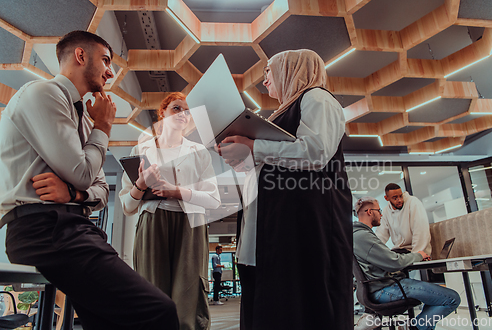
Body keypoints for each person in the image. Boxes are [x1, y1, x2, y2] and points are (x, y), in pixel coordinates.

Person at [0, 30, 179, 329]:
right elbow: (84, 174)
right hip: (44, 230)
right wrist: (105, 126)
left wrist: (73, 194)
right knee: (160, 311)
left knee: (110, 323)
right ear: (81, 56)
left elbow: (97, 190)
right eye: (106, 60)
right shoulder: (43, 94)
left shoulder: (84, 119)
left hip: (76, 229)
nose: (110, 71)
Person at [218, 49, 353, 329]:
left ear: (293, 70)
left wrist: (254, 148)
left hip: (305, 227)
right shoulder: (281, 112)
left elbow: (315, 151)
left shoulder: (317, 97)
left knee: (301, 306)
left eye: (269, 71)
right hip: (275, 228)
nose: (265, 80)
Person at [119, 92, 220, 330]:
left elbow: (214, 199)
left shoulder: (198, 151)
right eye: (176, 108)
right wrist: (140, 185)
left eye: (187, 111)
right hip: (152, 223)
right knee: (151, 290)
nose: (183, 114)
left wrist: (176, 191)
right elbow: (127, 206)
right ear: (162, 112)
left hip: (190, 225)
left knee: (188, 295)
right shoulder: (141, 150)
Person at [353, 196, 460, 330]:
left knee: (436, 298)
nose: (381, 214)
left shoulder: (357, 234)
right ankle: (413, 327)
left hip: (376, 288)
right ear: (369, 212)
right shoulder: (363, 236)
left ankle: (415, 326)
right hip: (384, 289)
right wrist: (418, 255)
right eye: (379, 210)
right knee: (452, 298)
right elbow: (394, 262)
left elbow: (387, 259)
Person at [376, 183, 432, 255]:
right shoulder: (386, 211)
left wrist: (416, 255)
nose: (399, 200)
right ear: (387, 198)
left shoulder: (413, 203)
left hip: (415, 250)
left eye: (400, 196)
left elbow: (421, 232)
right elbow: (381, 235)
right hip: (399, 251)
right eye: (395, 198)